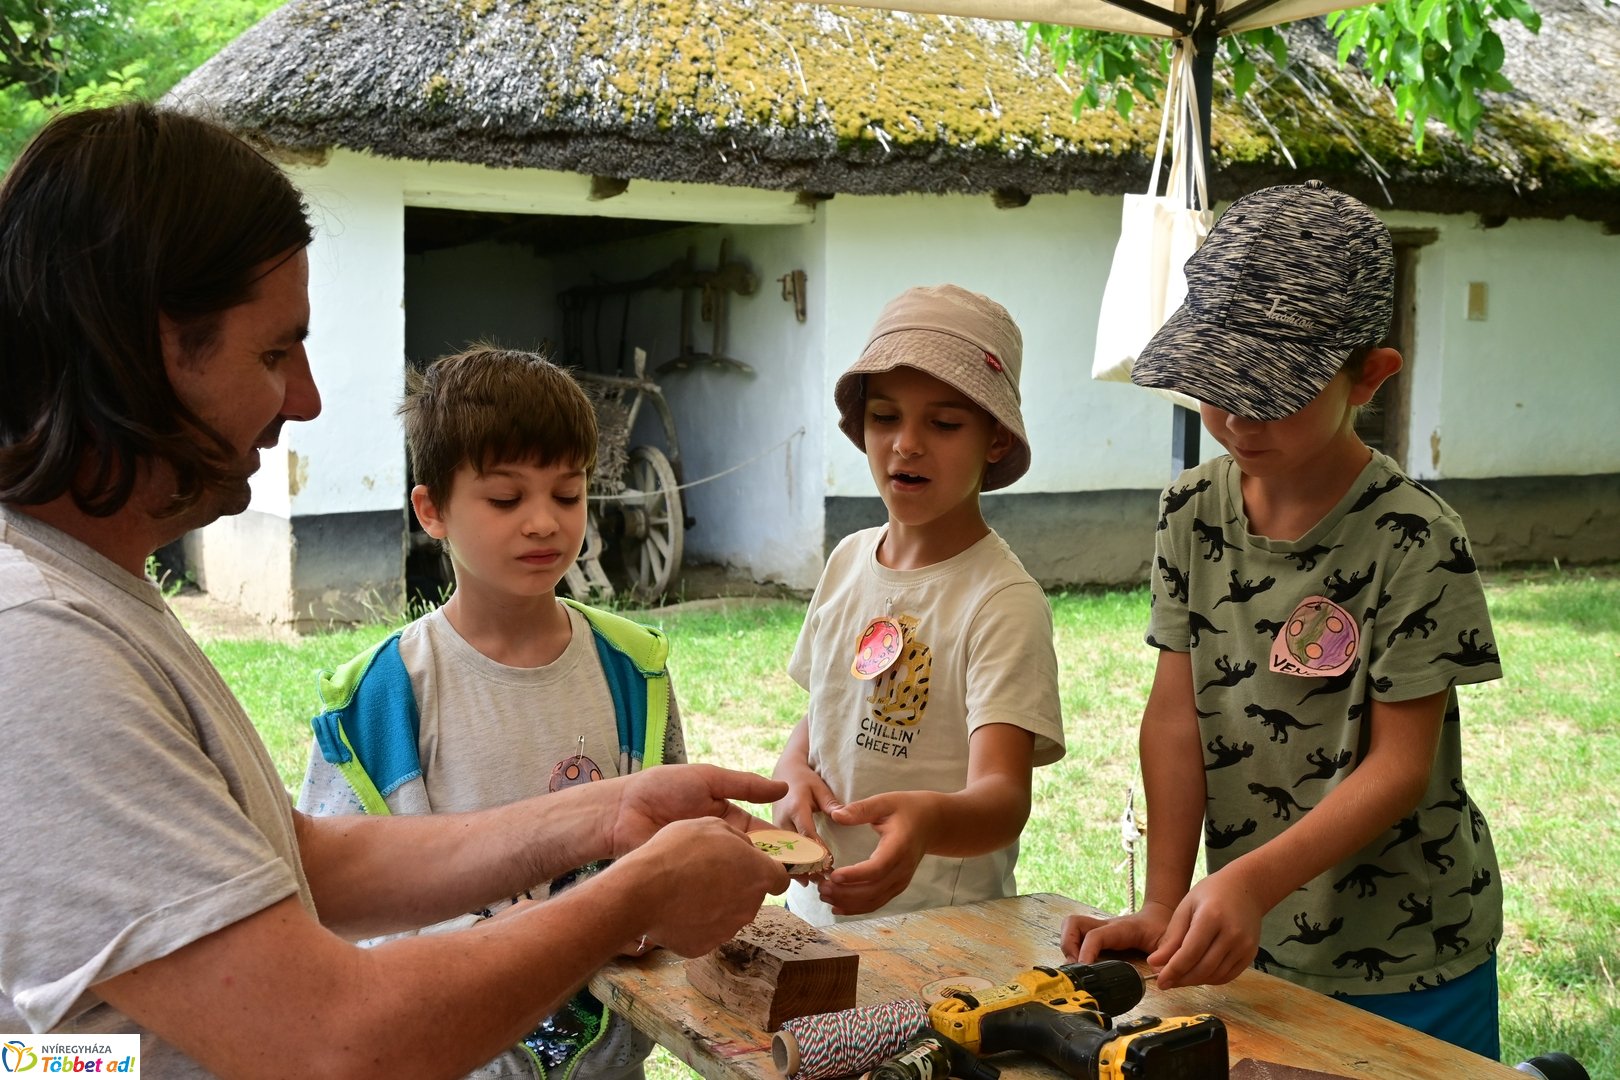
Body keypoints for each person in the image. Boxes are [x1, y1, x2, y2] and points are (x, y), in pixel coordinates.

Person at [0, 102, 788, 1078]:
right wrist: (629, 898)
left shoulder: (84, 596)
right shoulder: (36, 643)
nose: (307, 398)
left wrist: (605, 817)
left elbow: (306, 864)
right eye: (274, 352)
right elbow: (332, 1041)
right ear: (138, 345)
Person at [1062, 181, 1504, 1059]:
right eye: (1215, 386)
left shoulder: (1413, 536)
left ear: (1368, 376)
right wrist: (1163, 898)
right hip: (1247, 939)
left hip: (1410, 960)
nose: (1232, 418)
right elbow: (1174, 718)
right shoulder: (1188, 510)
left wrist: (1249, 883)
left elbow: (1401, 769)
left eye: (1272, 392)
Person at [298, 346, 684, 1080]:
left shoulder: (634, 670)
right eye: (506, 499)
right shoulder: (381, 697)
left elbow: (662, 850)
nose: (543, 523)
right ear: (431, 509)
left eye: (567, 495)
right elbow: (335, 915)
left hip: (606, 1058)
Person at [771, 284, 1066, 926]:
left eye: (944, 423)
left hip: (938, 929)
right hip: (814, 910)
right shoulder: (847, 560)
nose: (906, 444)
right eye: (885, 417)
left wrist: (928, 821)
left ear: (995, 439)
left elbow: (1004, 796)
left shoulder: (1000, 601)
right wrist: (792, 769)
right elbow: (828, 710)